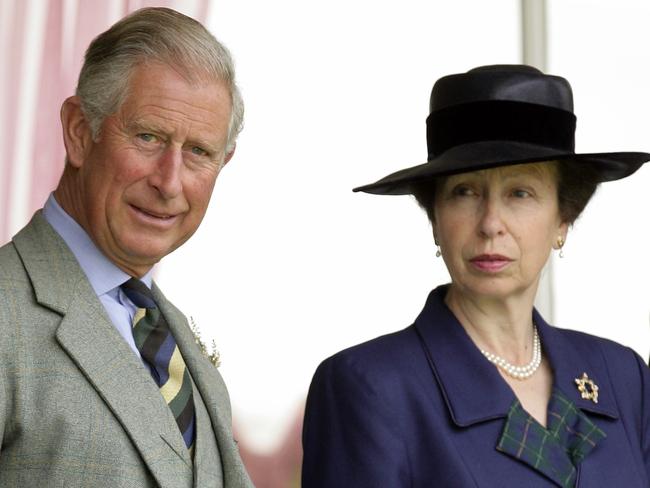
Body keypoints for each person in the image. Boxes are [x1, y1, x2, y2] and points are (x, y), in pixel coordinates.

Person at [302, 65, 650, 487]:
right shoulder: (370, 387)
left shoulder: (622, 375)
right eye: (464, 192)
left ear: (564, 217)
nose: (490, 223)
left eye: (520, 192)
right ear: (435, 219)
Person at [0, 7, 253, 487]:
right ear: (79, 132)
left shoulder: (170, 334)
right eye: (148, 136)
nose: (169, 181)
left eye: (199, 151)